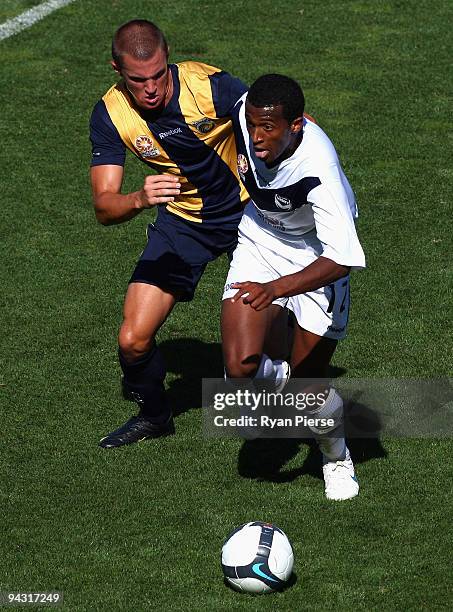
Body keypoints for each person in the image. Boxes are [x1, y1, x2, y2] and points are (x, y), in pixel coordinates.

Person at [89, 19, 249, 448]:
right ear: (117, 71)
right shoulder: (111, 114)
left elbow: (277, 119)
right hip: (183, 225)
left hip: (251, 218)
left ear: (168, 58)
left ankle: (300, 423)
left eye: (159, 75)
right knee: (133, 339)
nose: (152, 89)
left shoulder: (208, 85)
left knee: (252, 357)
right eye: (138, 80)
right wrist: (138, 199)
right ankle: (156, 417)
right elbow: (105, 207)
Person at [222, 74, 366, 500]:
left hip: (317, 257)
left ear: (296, 126)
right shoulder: (247, 109)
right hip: (260, 240)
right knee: (240, 371)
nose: (257, 137)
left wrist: (277, 289)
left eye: (269, 128)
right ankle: (276, 381)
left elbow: (341, 260)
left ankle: (336, 456)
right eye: (253, 126)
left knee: (311, 385)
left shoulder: (319, 171)